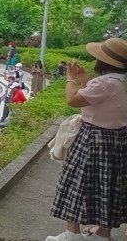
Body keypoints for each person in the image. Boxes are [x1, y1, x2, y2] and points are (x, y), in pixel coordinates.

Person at [46, 38, 127, 241]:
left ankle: (72, 233)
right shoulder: (121, 82)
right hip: (117, 139)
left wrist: (71, 78)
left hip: (93, 138)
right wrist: (84, 80)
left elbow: (72, 100)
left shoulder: (105, 83)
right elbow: (100, 101)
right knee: (107, 186)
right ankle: (102, 234)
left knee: (77, 182)